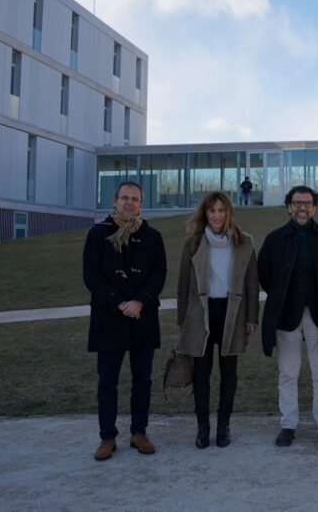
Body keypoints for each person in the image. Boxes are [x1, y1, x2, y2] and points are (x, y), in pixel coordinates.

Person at [83, 181, 167, 461]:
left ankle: (138, 432)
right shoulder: (98, 234)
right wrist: (119, 302)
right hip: (109, 318)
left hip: (142, 317)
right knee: (107, 381)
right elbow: (91, 276)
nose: (130, 203)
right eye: (125, 198)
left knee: (142, 378)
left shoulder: (152, 236)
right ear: (115, 201)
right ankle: (107, 438)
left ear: (141, 204)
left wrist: (139, 301)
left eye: (136, 199)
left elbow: (158, 274)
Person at [258, 185, 318, 447]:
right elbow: (266, 276)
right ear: (288, 207)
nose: (302, 208)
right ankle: (288, 425)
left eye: (307, 203)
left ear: (315, 207)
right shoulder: (275, 239)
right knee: (288, 373)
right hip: (287, 315)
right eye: (296, 203)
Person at [176, 190, 259, 449]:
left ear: (229, 212)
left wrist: (252, 319)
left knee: (229, 374)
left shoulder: (244, 242)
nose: (217, 215)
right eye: (212, 210)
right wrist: (183, 322)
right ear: (205, 213)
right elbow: (182, 285)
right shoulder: (193, 243)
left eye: (221, 210)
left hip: (232, 313)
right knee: (201, 374)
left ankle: (224, 425)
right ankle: (203, 428)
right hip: (201, 313)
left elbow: (252, 285)